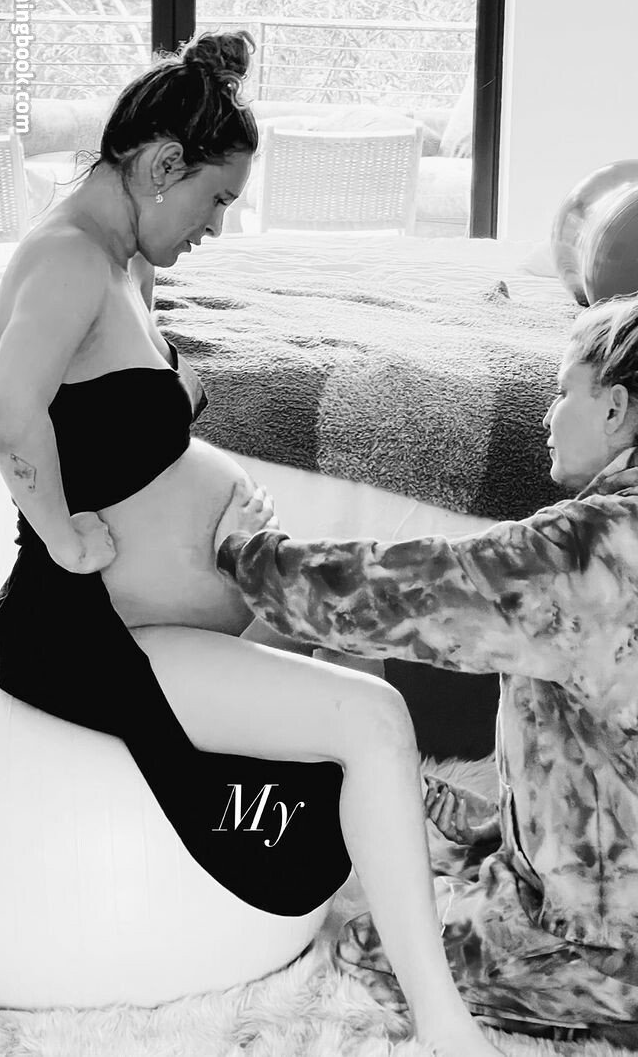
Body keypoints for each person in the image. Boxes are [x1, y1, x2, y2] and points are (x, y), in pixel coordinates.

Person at [0, 31, 502, 1057]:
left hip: (156, 613)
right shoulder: (65, 257)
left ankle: (405, 819)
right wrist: (61, 534)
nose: (218, 226)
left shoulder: (118, 261)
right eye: (215, 198)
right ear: (160, 164)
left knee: (342, 627)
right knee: (374, 717)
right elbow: (9, 406)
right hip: (93, 636)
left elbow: (101, 421)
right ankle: (445, 1025)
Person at [213, 291, 638, 1049]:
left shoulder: (586, 550)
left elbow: (411, 589)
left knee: (370, 944)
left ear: (614, 409)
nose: (546, 414)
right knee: (436, 818)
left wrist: (251, 557)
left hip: (608, 940)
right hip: (606, 855)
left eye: (562, 390)